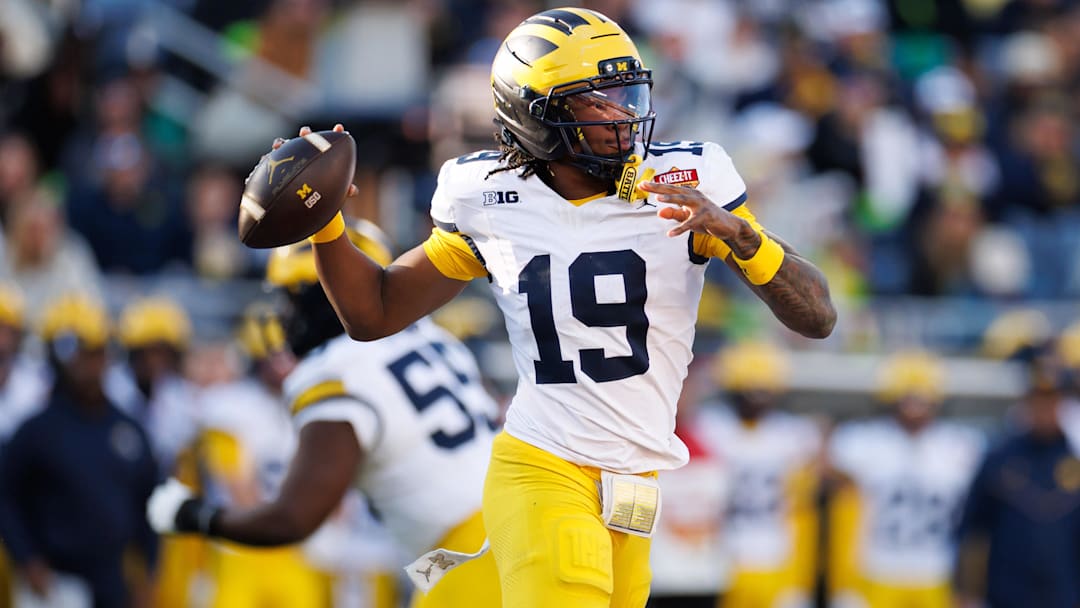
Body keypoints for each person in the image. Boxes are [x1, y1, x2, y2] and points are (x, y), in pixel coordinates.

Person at [272, 7, 835, 606]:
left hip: (635, 485)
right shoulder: (488, 196)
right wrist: (326, 226)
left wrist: (743, 237)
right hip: (545, 469)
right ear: (539, 113)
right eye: (598, 100)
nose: (624, 112)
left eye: (625, 92)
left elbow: (818, 317)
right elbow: (374, 313)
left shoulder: (685, 181)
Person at [148, 219, 502, 608]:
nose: (283, 315)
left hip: (467, 552)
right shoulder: (431, 334)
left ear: (325, 294)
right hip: (498, 530)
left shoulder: (334, 369)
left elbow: (293, 518)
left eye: (290, 297)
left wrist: (193, 516)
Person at [0, 293, 159, 608]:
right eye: (78, 353)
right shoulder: (36, 430)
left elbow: (148, 503)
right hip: (56, 582)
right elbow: (6, 497)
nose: (87, 363)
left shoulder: (128, 428)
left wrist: (148, 572)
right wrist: (26, 557)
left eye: (95, 352)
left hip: (115, 579)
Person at [828, 350, 983, 608]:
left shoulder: (961, 446)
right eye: (907, 396)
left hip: (937, 572)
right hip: (878, 570)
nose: (914, 404)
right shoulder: (861, 441)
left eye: (921, 396)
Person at [955, 348, 1080, 608]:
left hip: (1065, 595)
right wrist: (967, 592)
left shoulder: (1075, 458)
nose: (1045, 408)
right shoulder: (1000, 458)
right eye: (1038, 399)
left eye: (1052, 399)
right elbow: (973, 530)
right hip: (1006, 594)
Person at [703, 341, 822, 608]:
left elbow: (803, 507)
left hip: (775, 553)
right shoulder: (711, 427)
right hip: (721, 554)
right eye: (749, 390)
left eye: (762, 391)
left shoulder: (795, 435)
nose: (755, 398)